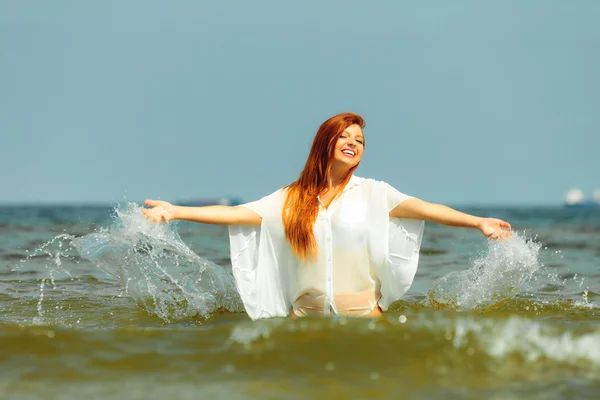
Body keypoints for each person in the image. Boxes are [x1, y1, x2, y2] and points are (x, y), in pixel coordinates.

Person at [142, 112, 512, 320]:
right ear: (326, 142)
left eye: (360, 140)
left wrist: (478, 221)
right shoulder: (290, 199)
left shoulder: (375, 193)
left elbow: (429, 210)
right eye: (345, 137)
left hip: (365, 320)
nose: (354, 144)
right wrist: (175, 212)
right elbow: (237, 213)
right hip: (304, 322)